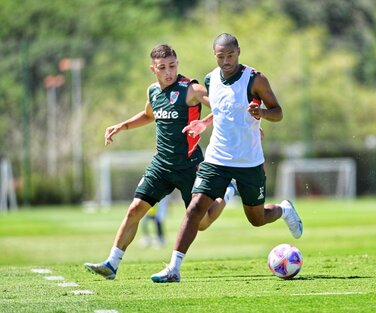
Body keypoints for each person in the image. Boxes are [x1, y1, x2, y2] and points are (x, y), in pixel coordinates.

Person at [151, 33, 303, 283]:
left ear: (239, 52)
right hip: (216, 159)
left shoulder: (255, 79)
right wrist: (205, 123)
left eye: (230, 55)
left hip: (248, 161)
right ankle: (173, 268)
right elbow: (223, 110)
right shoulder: (211, 79)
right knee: (195, 209)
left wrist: (262, 112)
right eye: (221, 56)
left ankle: (284, 209)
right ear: (215, 55)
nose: (226, 61)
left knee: (256, 219)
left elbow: (279, 112)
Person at [84, 44, 236, 280]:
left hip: (189, 166)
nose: (169, 72)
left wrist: (212, 123)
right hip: (161, 165)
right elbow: (148, 115)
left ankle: (226, 192)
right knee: (135, 209)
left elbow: (222, 106)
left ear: (178, 64)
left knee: (202, 223)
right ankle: (112, 264)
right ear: (153, 68)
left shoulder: (191, 89)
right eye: (163, 67)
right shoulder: (153, 91)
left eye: (173, 66)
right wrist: (122, 126)